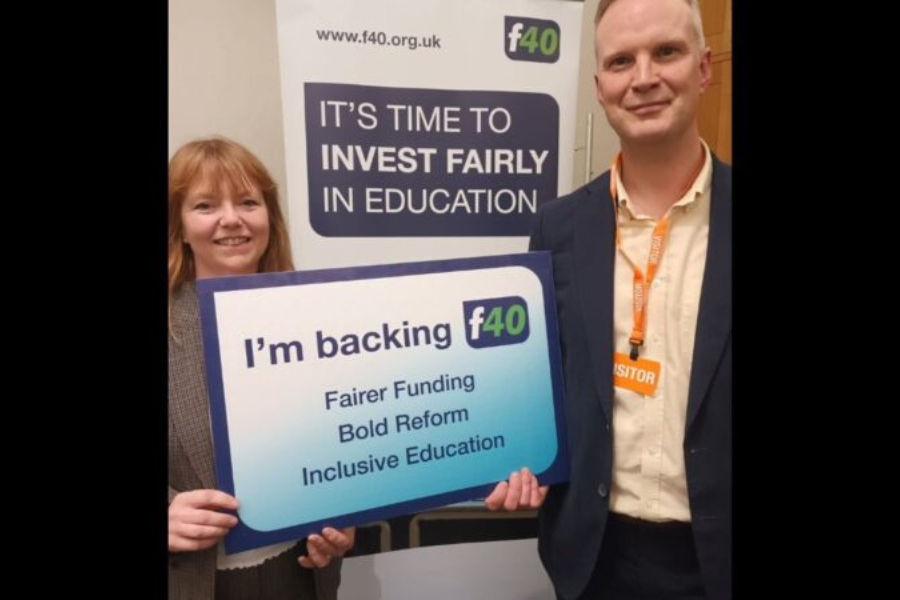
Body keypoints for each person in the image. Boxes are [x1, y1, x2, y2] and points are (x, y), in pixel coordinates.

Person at [486, 1, 731, 598]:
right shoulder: (558, 227)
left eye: (665, 52)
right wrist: (515, 455)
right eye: (622, 60)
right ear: (600, 87)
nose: (643, 77)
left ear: (703, 68)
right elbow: (540, 382)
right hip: (593, 560)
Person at [168, 137, 355, 600]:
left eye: (248, 202)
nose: (232, 219)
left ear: (268, 216)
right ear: (180, 226)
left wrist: (347, 519)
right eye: (206, 205)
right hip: (192, 580)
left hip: (300, 573)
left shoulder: (318, 317)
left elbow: (347, 433)